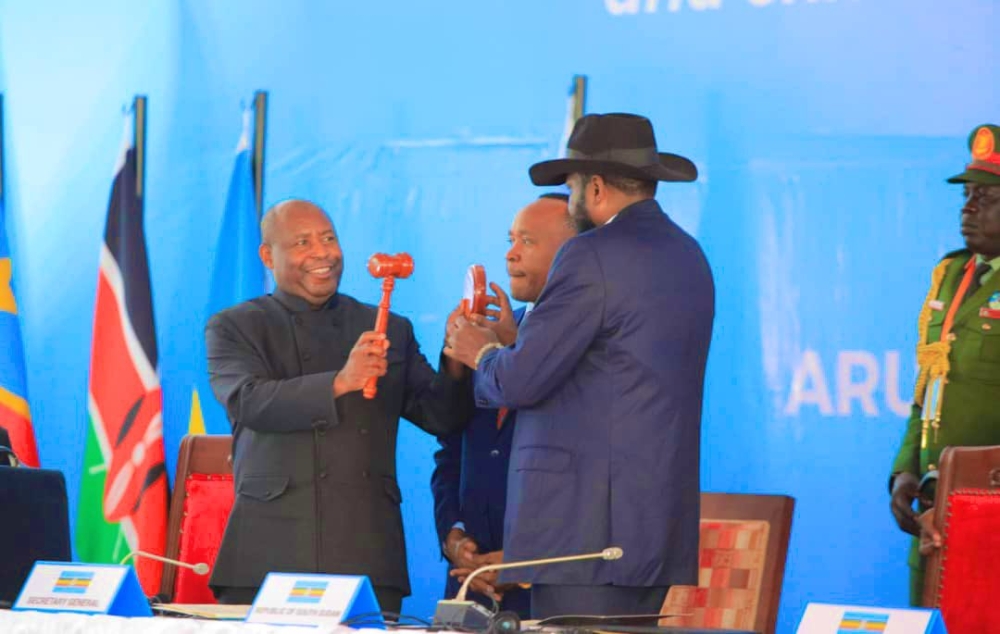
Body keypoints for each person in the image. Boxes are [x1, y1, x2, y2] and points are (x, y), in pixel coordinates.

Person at [444, 113, 715, 620]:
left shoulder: (590, 255)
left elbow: (521, 381)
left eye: (569, 186)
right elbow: (610, 367)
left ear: (593, 187)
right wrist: (519, 345)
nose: (570, 199)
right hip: (649, 529)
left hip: (583, 534)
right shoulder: (689, 255)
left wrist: (481, 352)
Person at [205, 199, 472, 612]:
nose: (322, 253)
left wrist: (456, 356)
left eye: (329, 238)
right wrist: (340, 382)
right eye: (302, 242)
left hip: (365, 550)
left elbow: (443, 416)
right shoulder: (236, 325)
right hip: (266, 553)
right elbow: (248, 401)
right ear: (267, 256)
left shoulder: (388, 326)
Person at [431, 193, 576, 618]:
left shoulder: (588, 343)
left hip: (549, 590)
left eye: (527, 242)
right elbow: (451, 449)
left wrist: (525, 560)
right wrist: (453, 536)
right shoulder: (486, 334)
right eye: (511, 240)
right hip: (470, 582)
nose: (510, 254)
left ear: (573, 254)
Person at [890, 123, 1000, 606]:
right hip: (937, 515)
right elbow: (929, 389)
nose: (968, 208)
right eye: (968, 195)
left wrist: (972, 502)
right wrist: (906, 471)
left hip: (990, 520)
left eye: (987, 198)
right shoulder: (952, 274)